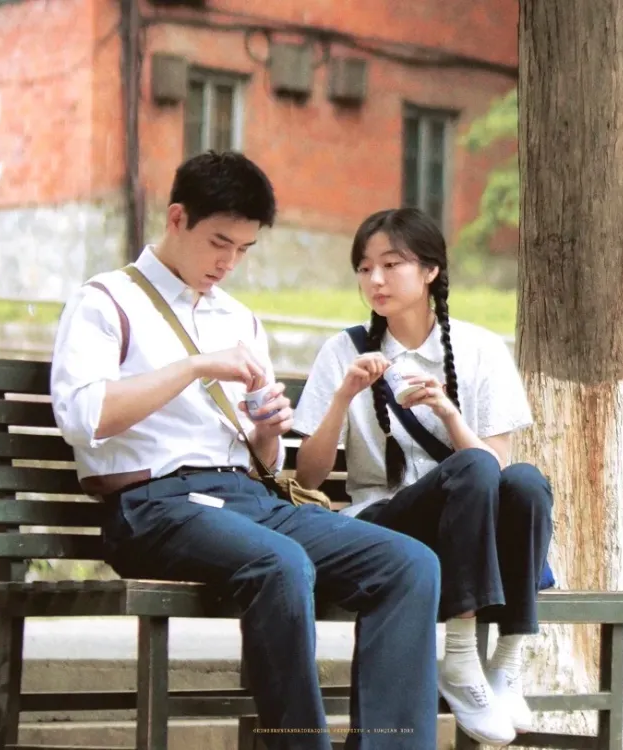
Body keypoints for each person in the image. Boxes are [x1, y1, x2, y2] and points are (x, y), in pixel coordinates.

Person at [49, 152, 442, 750]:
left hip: (245, 499)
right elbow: (82, 418)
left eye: (243, 249)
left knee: (410, 563)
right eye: (219, 243)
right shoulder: (106, 302)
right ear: (177, 218)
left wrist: (267, 429)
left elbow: (268, 463)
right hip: (152, 506)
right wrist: (194, 366)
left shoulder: (238, 319)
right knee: (281, 564)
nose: (228, 263)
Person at [293, 207, 555, 747]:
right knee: (475, 469)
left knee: (526, 482)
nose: (376, 280)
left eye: (392, 264)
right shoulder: (343, 350)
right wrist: (342, 398)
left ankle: (506, 664)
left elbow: (496, 470)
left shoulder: (480, 349)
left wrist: (448, 413)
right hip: (384, 525)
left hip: (469, 531)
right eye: (365, 268)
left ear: (431, 270)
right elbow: (309, 476)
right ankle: (459, 659)